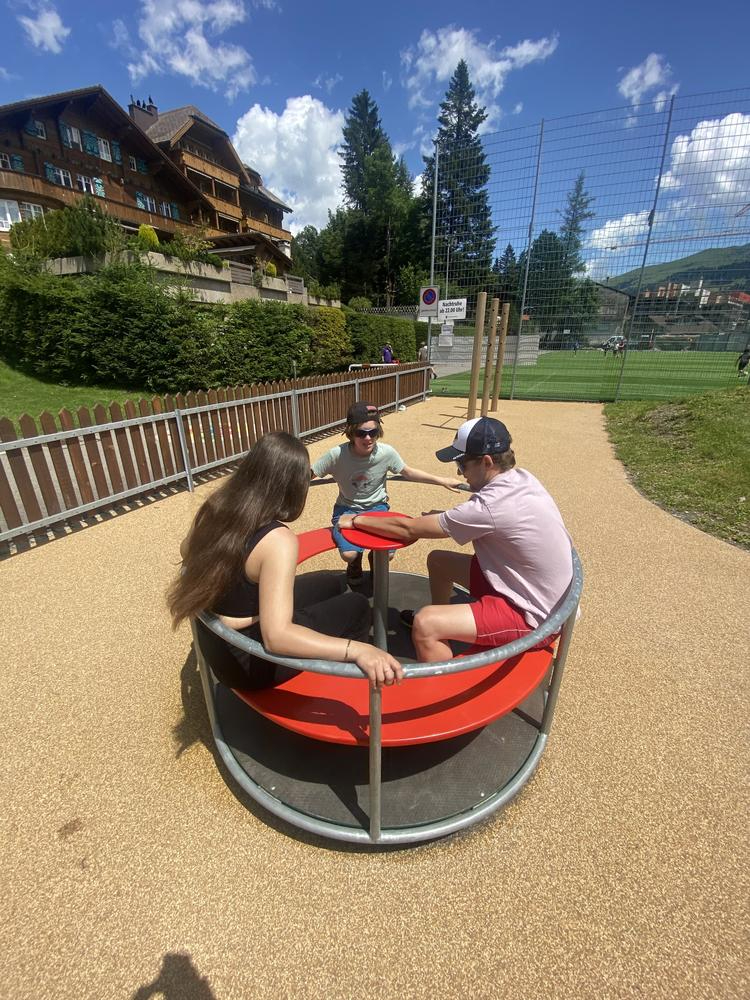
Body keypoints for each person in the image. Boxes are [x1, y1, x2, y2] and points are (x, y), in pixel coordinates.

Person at [168, 431, 403, 690]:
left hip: (219, 645)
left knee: (330, 583)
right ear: (293, 485)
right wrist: (357, 650)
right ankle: (344, 689)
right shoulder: (277, 540)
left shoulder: (216, 505)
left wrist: (237, 615)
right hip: (249, 663)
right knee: (357, 606)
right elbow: (277, 637)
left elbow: (186, 551)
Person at [336, 416, 574, 663]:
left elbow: (408, 529)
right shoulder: (522, 479)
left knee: (426, 624)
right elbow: (489, 517)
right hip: (526, 587)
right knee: (439, 561)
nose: (459, 471)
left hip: (535, 616)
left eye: (462, 464)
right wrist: (446, 517)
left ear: (487, 462)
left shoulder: (489, 507)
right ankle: (446, 628)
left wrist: (357, 520)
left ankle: (438, 669)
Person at [311, 402, 462, 585]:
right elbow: (309, 474)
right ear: (351, 432)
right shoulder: (336, 455)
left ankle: (376, 562)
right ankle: (355, 562)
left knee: (387, 553)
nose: (368, 438)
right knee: (349, 554)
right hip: (347, 508)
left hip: (377, 508)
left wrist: (442, 480)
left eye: (373, 432)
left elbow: (408, 472)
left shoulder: (386, 453)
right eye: (361, 433)